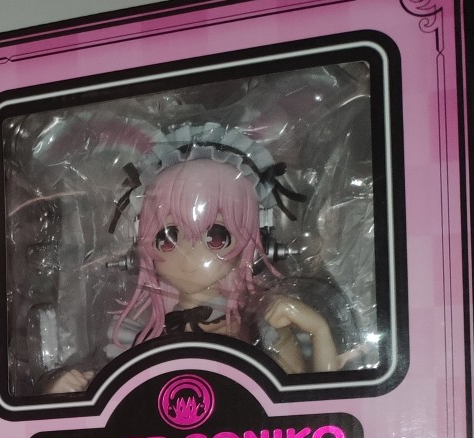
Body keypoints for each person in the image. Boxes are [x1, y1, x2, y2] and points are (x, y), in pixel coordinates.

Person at [40, 124, 345, 394]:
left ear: (255, 241)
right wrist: (63, 391)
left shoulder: (261, 324)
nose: (190, 254)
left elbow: (308, 405)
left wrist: (318, 329)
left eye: (216, 236)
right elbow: (109, 399)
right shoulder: (141, 333)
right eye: (167, 237)